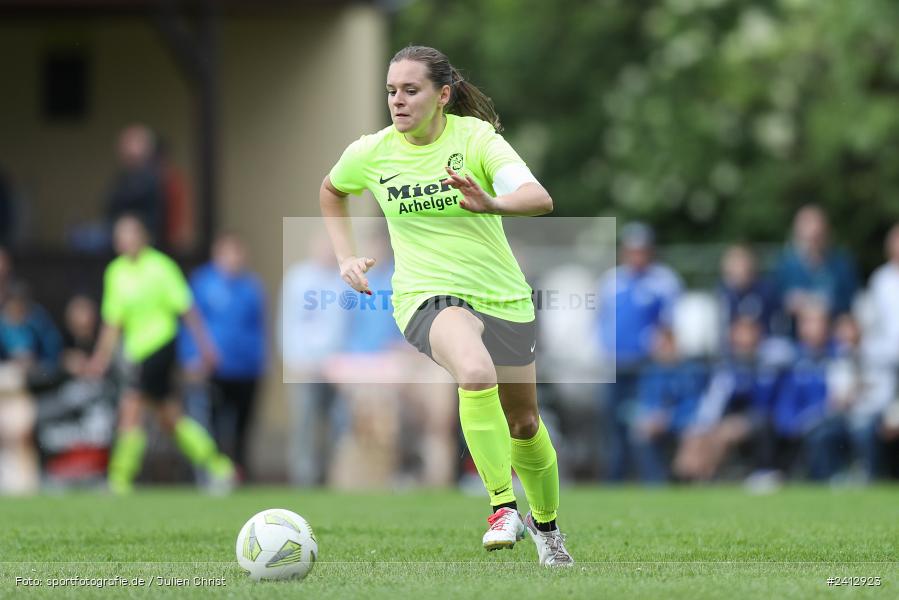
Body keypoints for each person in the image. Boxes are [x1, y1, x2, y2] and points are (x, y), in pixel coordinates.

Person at [318, 45, 572, 566]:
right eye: (391, 91)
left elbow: (539, 198)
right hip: (425, 297)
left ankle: (546, 528)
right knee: (475, 371)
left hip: (502, 295)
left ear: (443, 96)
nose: (398, 100)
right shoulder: (372, 151)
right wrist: (345, 257)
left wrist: (492, 202)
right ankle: (502, 507)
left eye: (411, 90)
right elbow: (331, 190)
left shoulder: (475, 139)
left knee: (523, 422)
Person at [86, 214, 234, 494]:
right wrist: (100, 358)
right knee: (169, 417)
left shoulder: (161, 267)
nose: (126, 240)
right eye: (121, 235)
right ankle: (218, 466)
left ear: (143, 237)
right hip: (136, 353)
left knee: (131, 408)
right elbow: (112, 322)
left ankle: (118, 480)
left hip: (160, 346)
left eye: (131, 233)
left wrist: (206, 348)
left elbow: (187, 309)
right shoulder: (116, 272)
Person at [596, 222, 683, 481]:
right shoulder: (612, 281)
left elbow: (672, 323)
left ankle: (651, 480)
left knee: (643, 424)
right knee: (614, 427)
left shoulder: (664, 281)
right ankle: (615, 480)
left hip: (647, 366)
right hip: (616, 364)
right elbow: (601, 321)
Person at [178, 233, 266, 477]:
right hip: (213, 368)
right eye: (229, 253)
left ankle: (240, 473)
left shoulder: (251, 287)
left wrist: (259, 360)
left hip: (246, 368)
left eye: (238, 253)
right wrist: (191, 356)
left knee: (242, 427)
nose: (234, 259)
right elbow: (191, 323)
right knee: (211, 425)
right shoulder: (202, 282)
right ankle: (212, 474)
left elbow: (257, 327)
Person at [774, 204, 858, 322]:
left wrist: (823, 305)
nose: (813, 241)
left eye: (817, 237)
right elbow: (776, 301)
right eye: (808, 238)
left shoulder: (841, 264)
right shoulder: (785, 265)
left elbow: (849, 301)